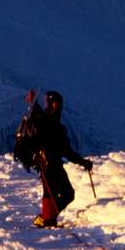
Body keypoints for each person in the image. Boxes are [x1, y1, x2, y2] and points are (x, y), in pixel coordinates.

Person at [25, 90, 92, 228]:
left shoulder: (56, 126)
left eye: (56, 103)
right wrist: (32, 103)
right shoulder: (45, 121)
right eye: (53, 103)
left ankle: (46, 219)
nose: (55, 106)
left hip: (54, 165)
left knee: (68, 194)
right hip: (47, 165)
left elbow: (66, 150)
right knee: (54, 195)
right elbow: (35, 115)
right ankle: (47, 221)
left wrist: (82, 162)